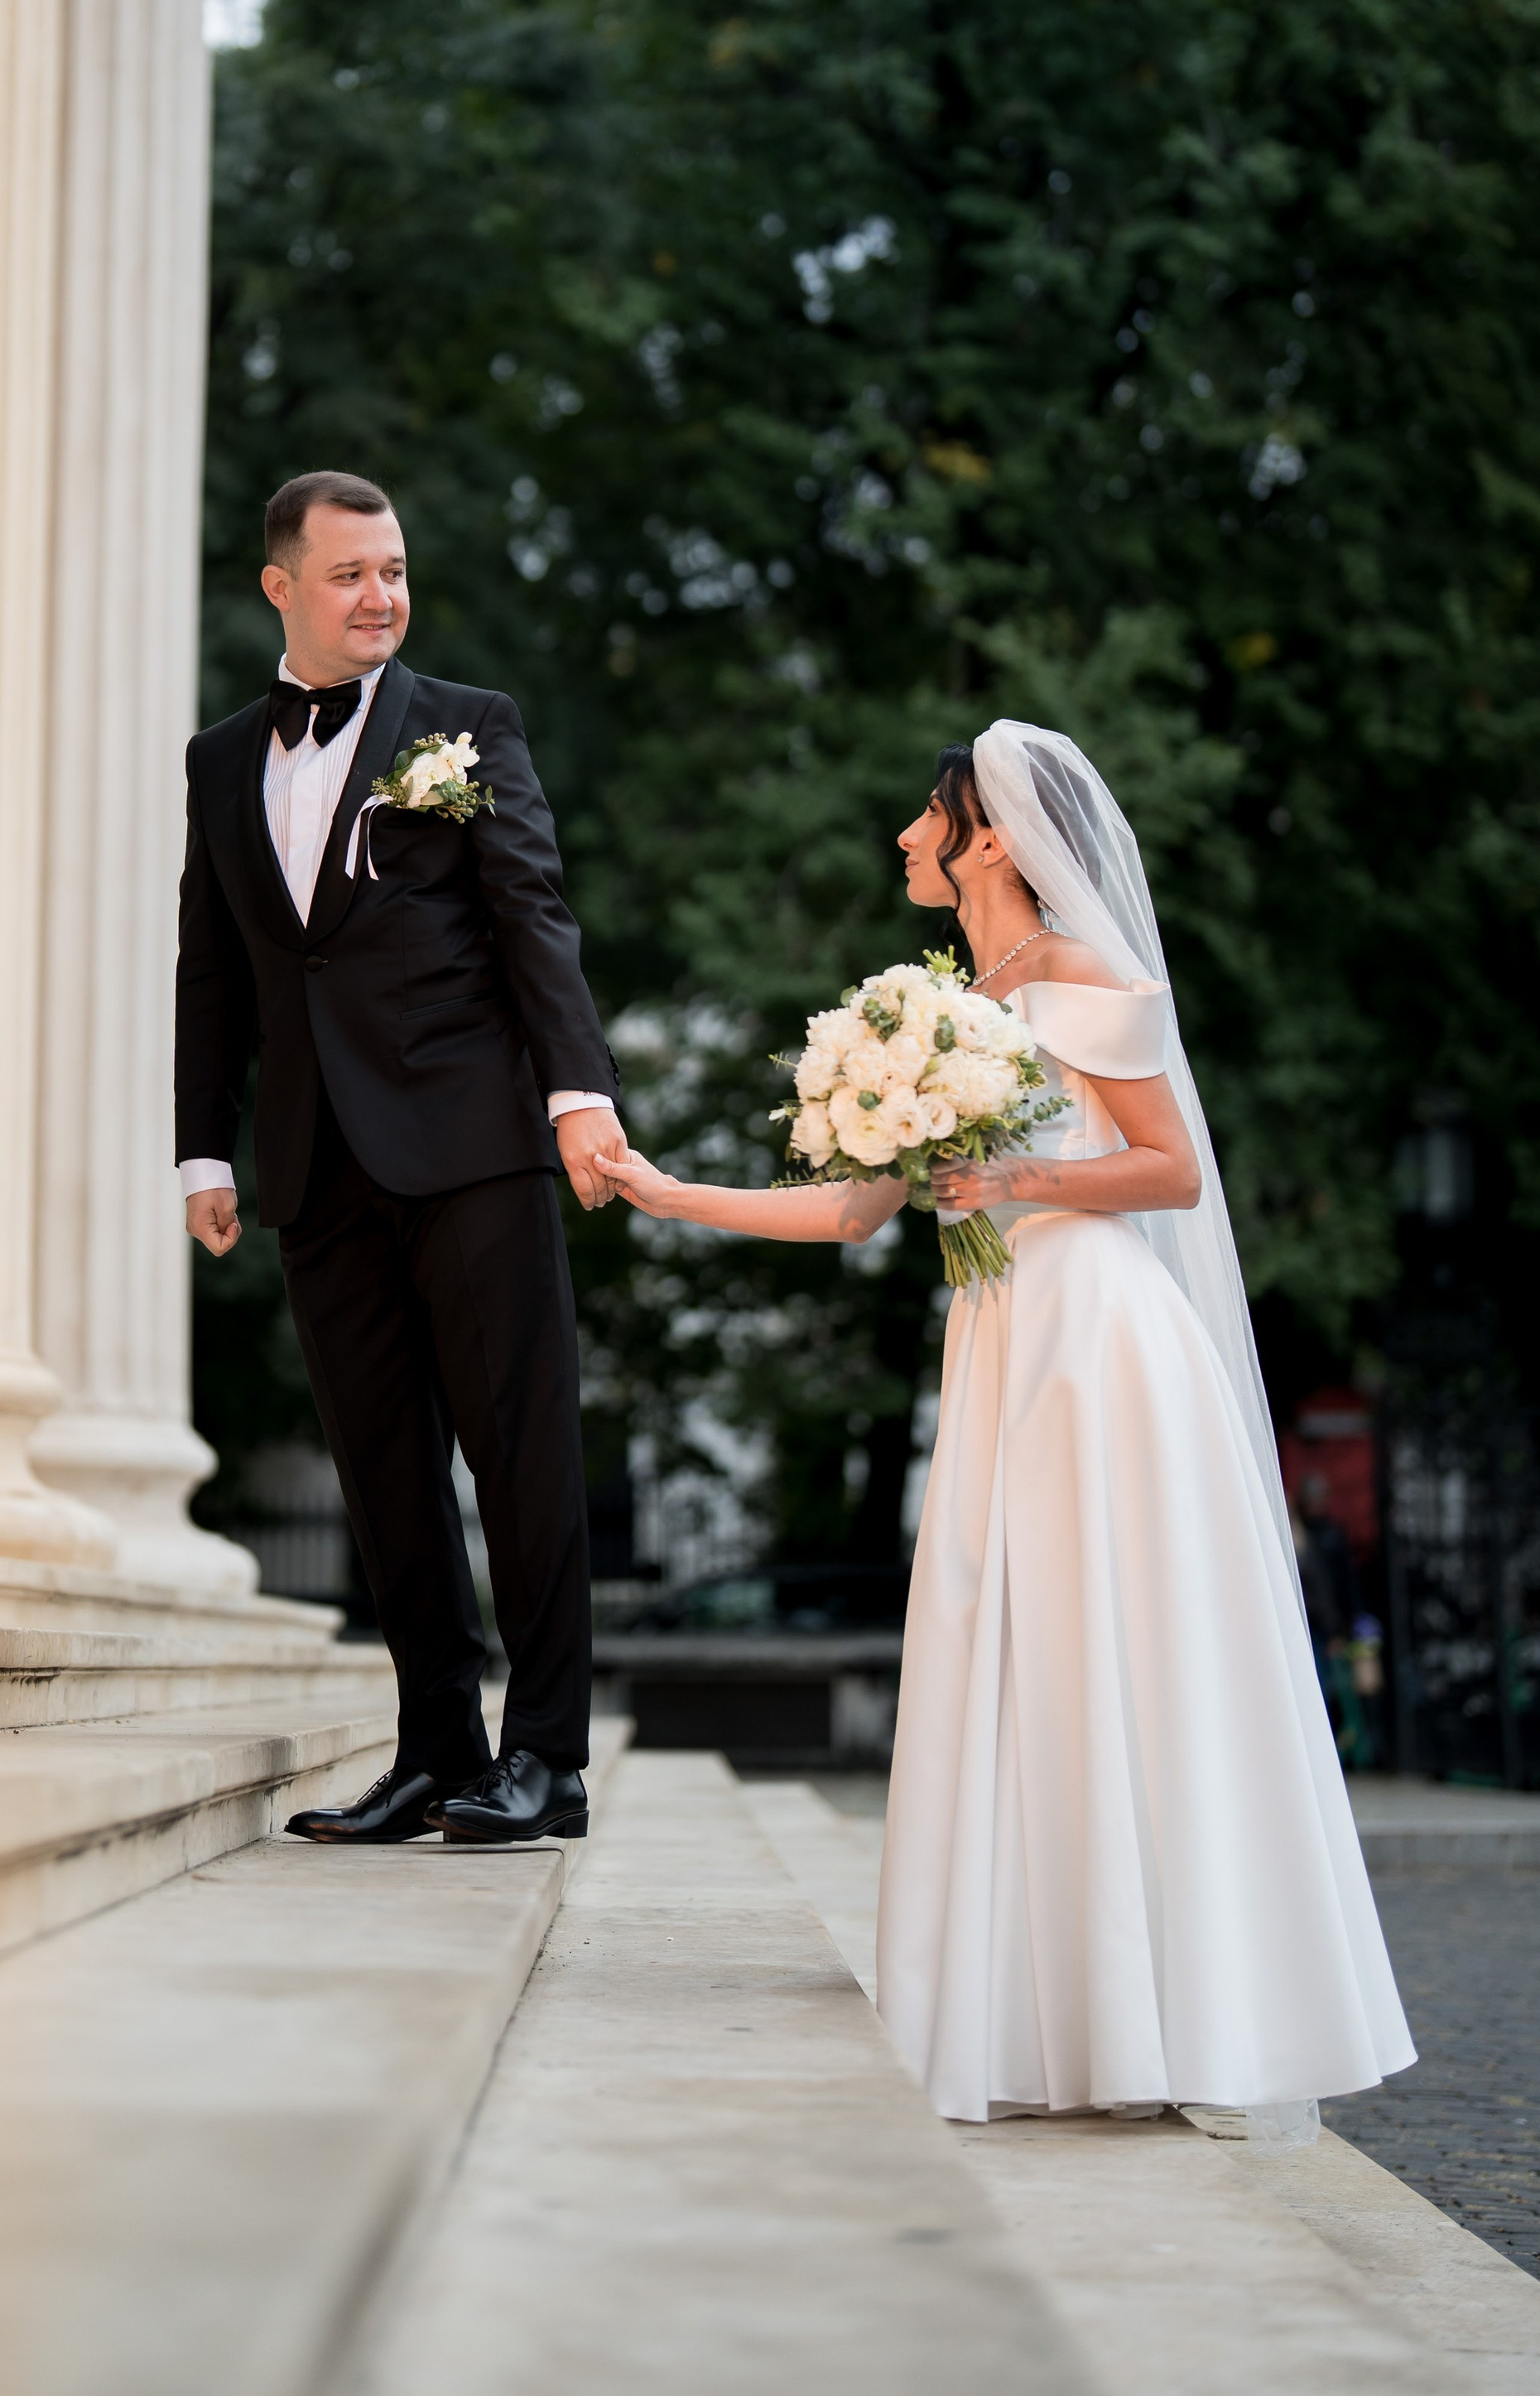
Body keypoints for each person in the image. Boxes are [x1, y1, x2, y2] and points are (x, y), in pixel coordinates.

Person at [596, 721, 1413, 2128]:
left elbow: (1172, 1173)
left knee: (1120, 1653)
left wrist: (1023, 1173)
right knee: (1012, 1648)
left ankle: (1175, 2025)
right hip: (999, 1348)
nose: (908, 836)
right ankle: (1045, 2021)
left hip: (1101, 1349)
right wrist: (668, 1192)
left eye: (927, 815)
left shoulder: (1092, 979)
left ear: (988, 837)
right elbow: (853, 1212)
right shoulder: (941, 1009)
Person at [175, 470, 621, 1846]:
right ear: (282, 587)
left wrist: (578, 1096)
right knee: (384, 1474)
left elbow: (534, 923)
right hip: (315, 1168)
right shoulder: (217, 758)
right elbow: (214, 969)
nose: (382, 596)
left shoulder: (468, 729)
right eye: (352, 573)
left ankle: (546, 1759)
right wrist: (202, 1147)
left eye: (396, 572)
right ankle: (437, 1746)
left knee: (523, 1457)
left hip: (476, 1146)